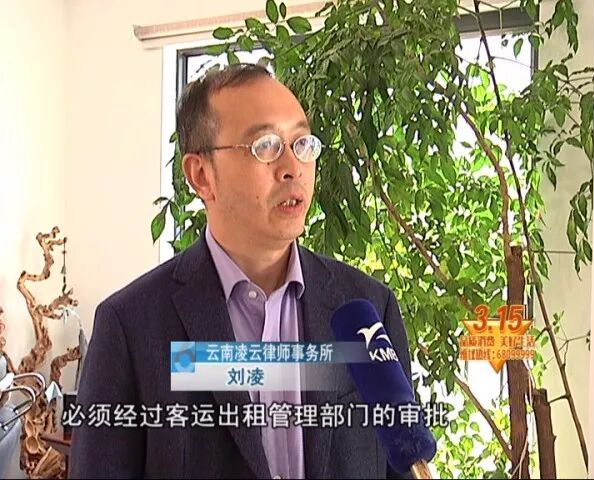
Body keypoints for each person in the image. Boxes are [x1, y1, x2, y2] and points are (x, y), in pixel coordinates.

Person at [69, 63, 414, 479]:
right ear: (201, 176)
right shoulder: (130, 327)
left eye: (302, 143)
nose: (292, 167)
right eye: (265, 146)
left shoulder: (368, 309)